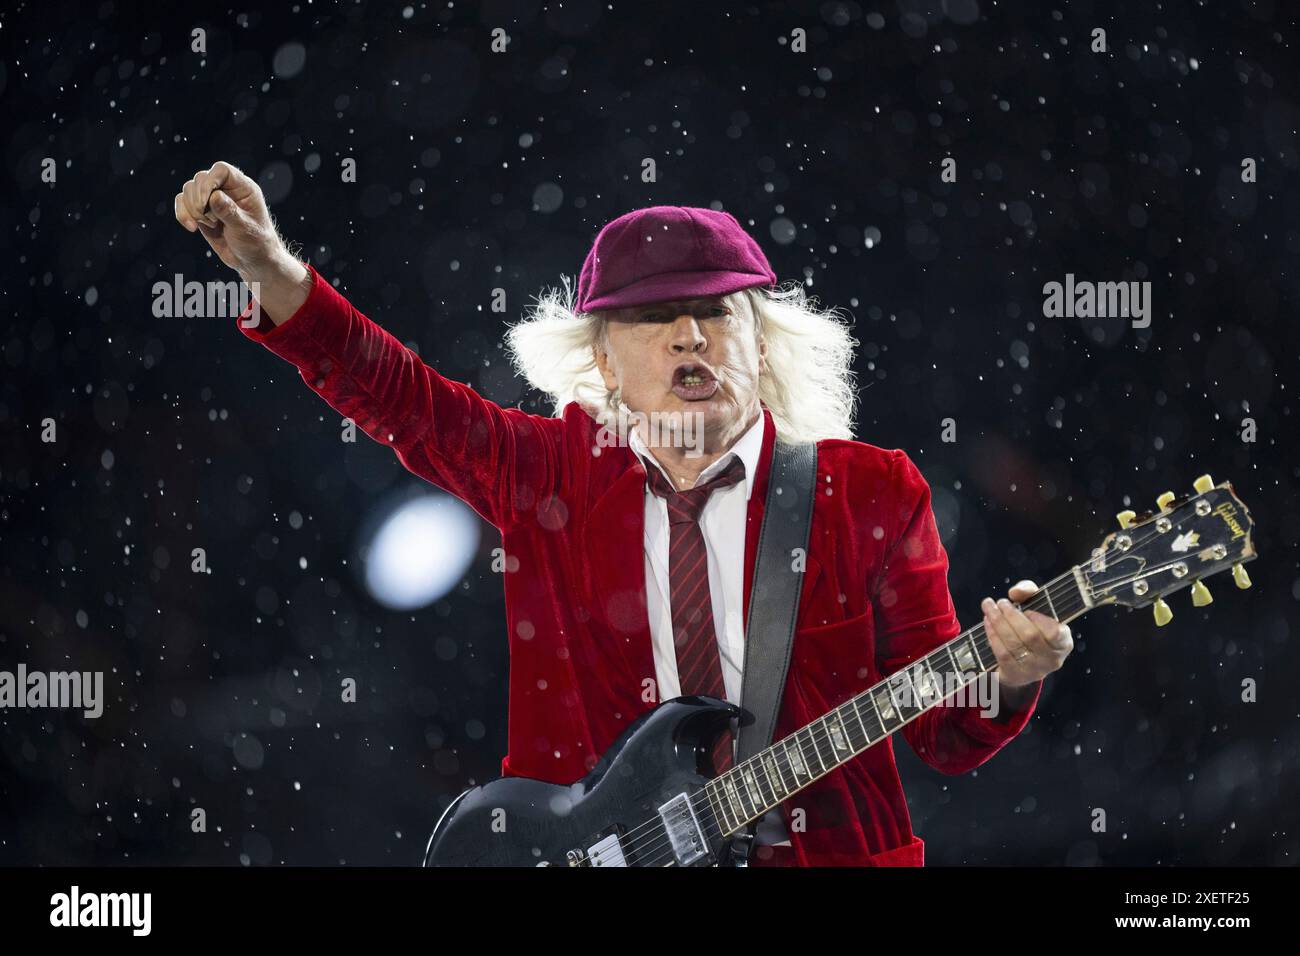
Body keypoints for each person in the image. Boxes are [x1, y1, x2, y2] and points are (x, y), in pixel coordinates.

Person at [174, 162, 1074, 866]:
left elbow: (949, 734)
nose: (690, 336)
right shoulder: (549, 475)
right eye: (654, 318)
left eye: (716, 312)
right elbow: (400, 398)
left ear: (759, 344)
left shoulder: (871, 491)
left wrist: (1010, 675)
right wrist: (269, 266)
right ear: (602, 361)